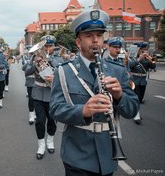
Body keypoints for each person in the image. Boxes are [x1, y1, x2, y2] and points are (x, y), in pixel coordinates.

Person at [49, 10, 139, 176]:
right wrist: (82, 111)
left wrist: (119, 96)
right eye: (89, 36)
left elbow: (132, 110)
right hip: (77, 155)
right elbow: (55, 109)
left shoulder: (117, 70)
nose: (95, 40)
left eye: (99, 35)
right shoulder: (64, 71)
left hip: (108, 154)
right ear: (78, 42)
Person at [25, 35, 64, 160]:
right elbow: (27, 71)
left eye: (49, 46)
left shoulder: (58, 58)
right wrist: (34, 61)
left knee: (52, 120)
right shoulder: (34, 57)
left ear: (54, 46)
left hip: (52, 93)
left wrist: (48, 59)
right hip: (38, 92)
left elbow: (61, 70)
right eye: (45, 46)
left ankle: (50, 141)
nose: (47, 48)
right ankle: (41, 145)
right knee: (40, 121)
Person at [129, 42, 156, 124]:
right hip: (134, 80)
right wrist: (139, 58)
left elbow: (153, 66)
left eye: (145, 50)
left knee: (140, 99)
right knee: (136, 98)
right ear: (138, 50)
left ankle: (135, 110)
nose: (144, 52)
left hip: (143, 81)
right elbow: (129, 66)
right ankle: (136, 115)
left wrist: (152, 59)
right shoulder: (132, 57)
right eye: (142, 50)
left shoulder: (147, 58)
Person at [21, 45, 36, 125]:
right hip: (30, 81)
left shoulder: (40, 58)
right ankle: (31, 114)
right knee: (31, 98)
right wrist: (29, 62)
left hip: (39, 82)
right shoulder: (27, 59)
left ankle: (36, 113)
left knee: (38, 99)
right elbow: (23, 69)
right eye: (31, 52)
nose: (32, 53)